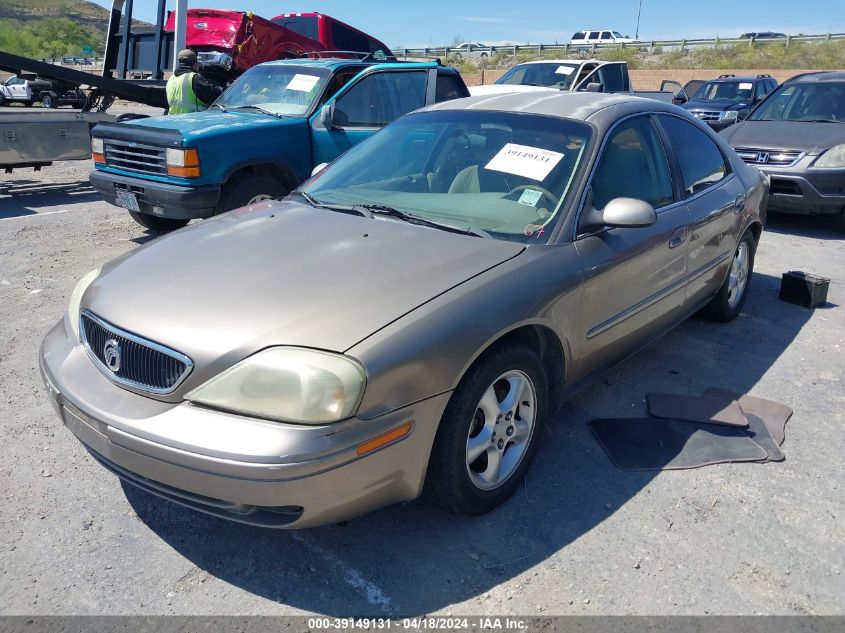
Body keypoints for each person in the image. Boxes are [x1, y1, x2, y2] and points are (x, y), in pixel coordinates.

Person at [166, 49, 224, 114]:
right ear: (194, 63)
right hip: (190, 120)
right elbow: (215, 94)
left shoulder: (171, 78)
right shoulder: (193, 78)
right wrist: (223, 88)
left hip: (172, 120)